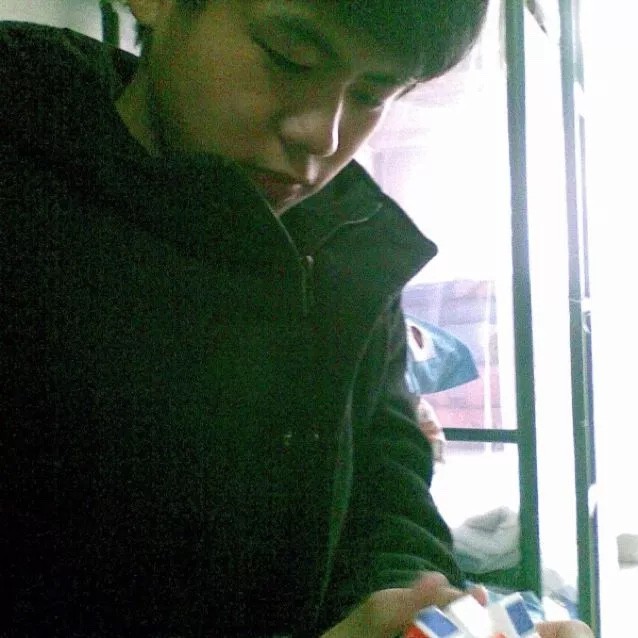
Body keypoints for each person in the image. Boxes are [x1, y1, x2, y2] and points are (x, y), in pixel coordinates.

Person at [0, 1, 593, 636]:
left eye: (371, 95)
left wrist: (410, 609)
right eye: (289, 58)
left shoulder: (347, 242)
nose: (324, 136)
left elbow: (384, 484)